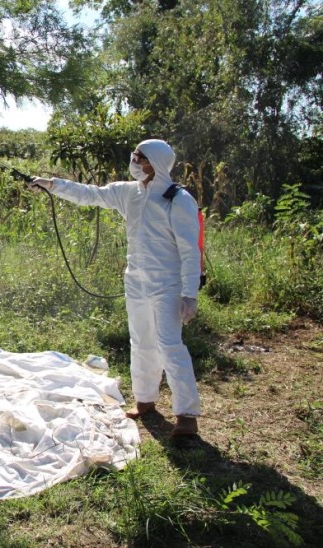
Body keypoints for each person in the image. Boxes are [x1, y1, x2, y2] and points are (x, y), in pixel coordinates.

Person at [29, 139, 201, 437]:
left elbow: (190, 250)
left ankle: (187, 417)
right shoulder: (128, 192)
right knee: (141, 341)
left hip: (167, 284)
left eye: (140, 157)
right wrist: (52, 184)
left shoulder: (178, 199)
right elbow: (91, 194)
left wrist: (190, 294)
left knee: (169, 345)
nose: (134, 161)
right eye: (134, 155)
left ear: (156, 163)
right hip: (136, 280)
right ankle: (145, 399)